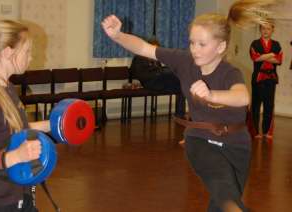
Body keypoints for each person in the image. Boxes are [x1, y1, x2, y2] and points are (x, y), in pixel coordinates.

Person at [101, 0, 277, 211]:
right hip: (200, 140)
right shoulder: (184, 61)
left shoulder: (230, 73)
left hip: (236, 145)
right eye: (192, 42)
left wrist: (212, 94)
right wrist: (117, 36)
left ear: (220, 46)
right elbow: (144, 48)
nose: (195, 49)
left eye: (202, 44)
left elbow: (242, 98)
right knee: (226, 196)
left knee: (222, 203)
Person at [0, 20, 50, 211]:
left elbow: (13, 130)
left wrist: (57, 123)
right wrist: (13, 157)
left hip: (17, 195)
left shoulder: (6, 88)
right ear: (7, 52)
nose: (31, 57)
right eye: (27, 51)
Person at [130, 38, 186, 117]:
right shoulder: (139, 57)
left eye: (156, 49)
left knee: (181, 87)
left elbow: (159, 70)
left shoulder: (155, 58)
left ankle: (180, 115)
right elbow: (139, 74)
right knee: (169, 72)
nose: (154, 51)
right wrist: (157, 73)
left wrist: (159, 72)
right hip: (149, 83)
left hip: (160, 82)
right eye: (153, 48)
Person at [249, 21, 282, 140]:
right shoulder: (255, 43)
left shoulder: (276, 44)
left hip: (270, 79)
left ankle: (267, 131)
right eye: (263, 28)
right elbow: (255, 58)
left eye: (268, 28)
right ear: (260, 30)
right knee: (255, 105)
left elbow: (278, 61)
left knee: (269, 105)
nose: (265, 31)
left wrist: (263, 56)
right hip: (257, 78)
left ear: (272, 29)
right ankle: (255, 131)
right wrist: (271, 55)